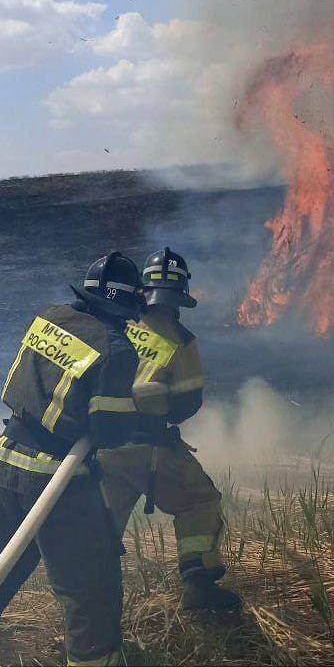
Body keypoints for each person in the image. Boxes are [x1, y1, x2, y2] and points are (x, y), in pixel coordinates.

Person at [0, 252, 142, 666]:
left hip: (5, 458)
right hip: (55, 480)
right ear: (124, 306)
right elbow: (110, 431)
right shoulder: (116, 348)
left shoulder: (50, 317)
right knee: (90, 581)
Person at [98, 248, 241, 612]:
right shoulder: (181, 340)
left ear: (143, 290)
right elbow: (187, 403)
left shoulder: (116, 322)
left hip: (100, 446)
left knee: (101, 521)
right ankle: (198, 585)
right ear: (179, 298)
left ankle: (93, 596)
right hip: (151, 448)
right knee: (199, 501)